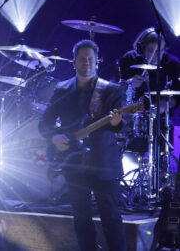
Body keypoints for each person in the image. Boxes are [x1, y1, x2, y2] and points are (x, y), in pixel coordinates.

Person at [39, 39, 125, 251]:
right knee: (81, 217)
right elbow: (45, 122)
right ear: (74, 62)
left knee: (111, 218)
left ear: (97, 62)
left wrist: (118, 122)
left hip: (103, 162)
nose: (86, 62)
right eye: (82, 59)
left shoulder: (111, 90)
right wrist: (53, 138)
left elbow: (124, 125)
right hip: (73, 162)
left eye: (90, 59)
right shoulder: (62, 89)